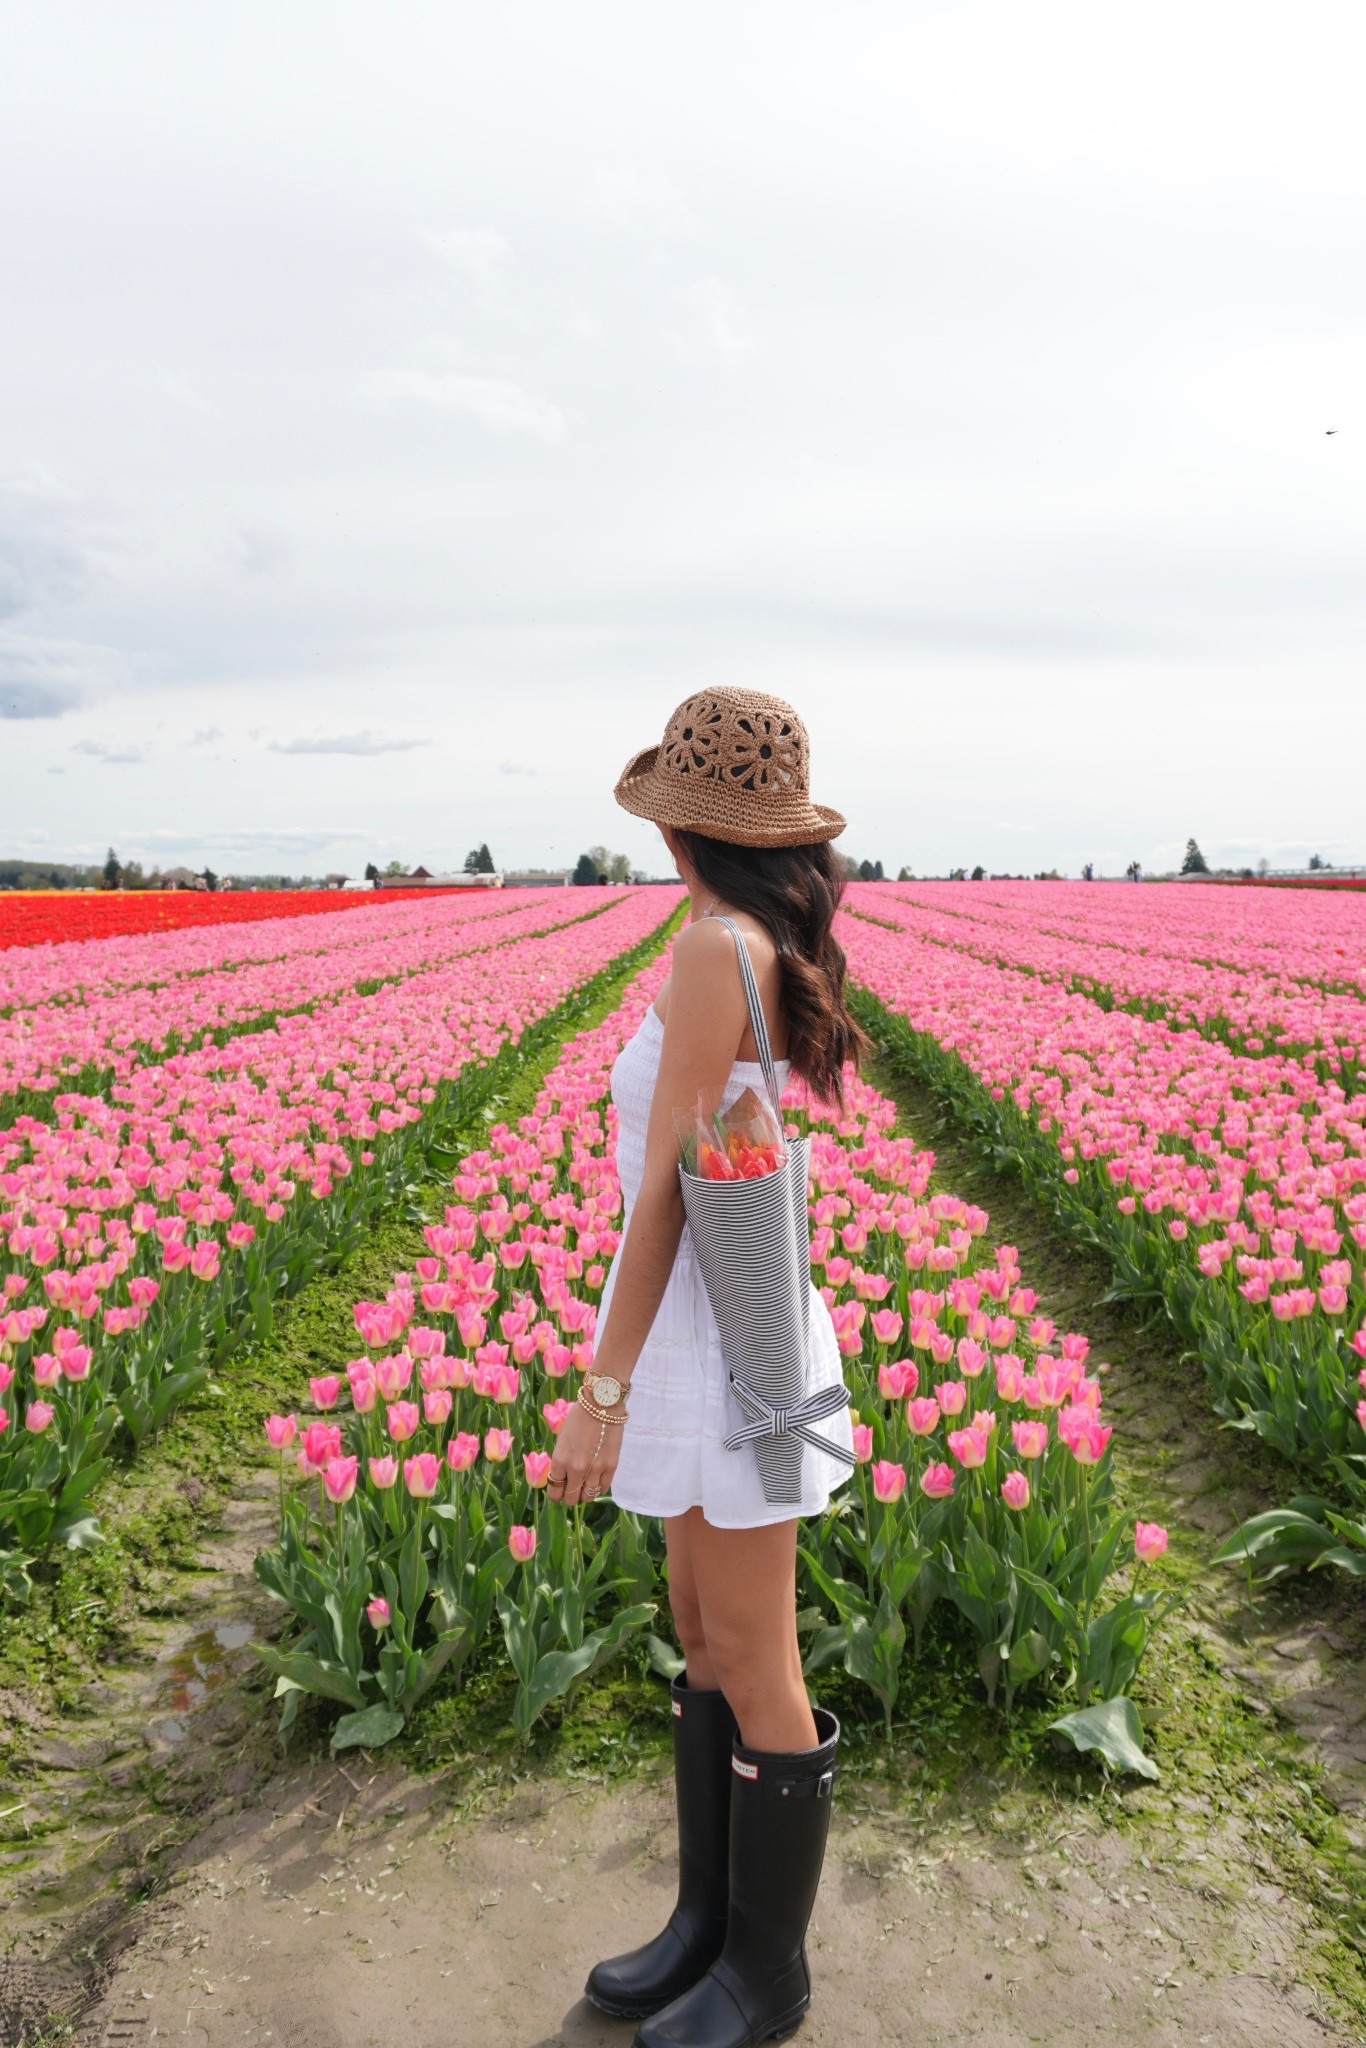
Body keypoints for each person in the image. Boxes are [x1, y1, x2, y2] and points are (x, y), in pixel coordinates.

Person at [547, 687, 863, 2048]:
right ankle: (707, 1926)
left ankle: (766, 1974)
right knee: (699, 1622)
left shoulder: (711, 948)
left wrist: (601, 1391)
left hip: (717, 1332)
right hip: (715, 1323)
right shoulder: (749, 941)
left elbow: (667, 1193)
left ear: (683, 829)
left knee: (751, 1647)